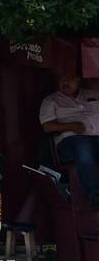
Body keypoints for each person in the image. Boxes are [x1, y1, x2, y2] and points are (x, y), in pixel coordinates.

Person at [39, 73, 99, 208]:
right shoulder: (51, 100)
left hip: (96, 139)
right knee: (82, 145)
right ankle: (95, 195)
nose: (65, 82)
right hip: (70, 143)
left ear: (77, 80)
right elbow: (47, 126)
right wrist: (71, 126)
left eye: (69, 78)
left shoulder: (93, 94)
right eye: (62, 79)